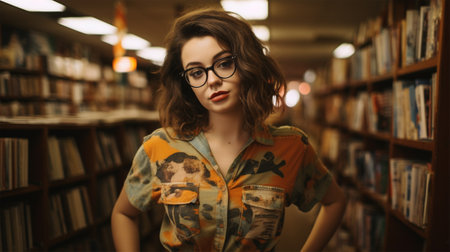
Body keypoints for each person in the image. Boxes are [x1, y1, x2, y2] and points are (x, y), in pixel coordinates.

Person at [111, 8, 346, 252]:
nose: (212, 80)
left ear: (247, 64)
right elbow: (123, 213)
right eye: (196, 72)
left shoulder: (292, 147)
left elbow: (335, 201)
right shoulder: (160, 146)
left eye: (224, 64)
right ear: (186, 83)